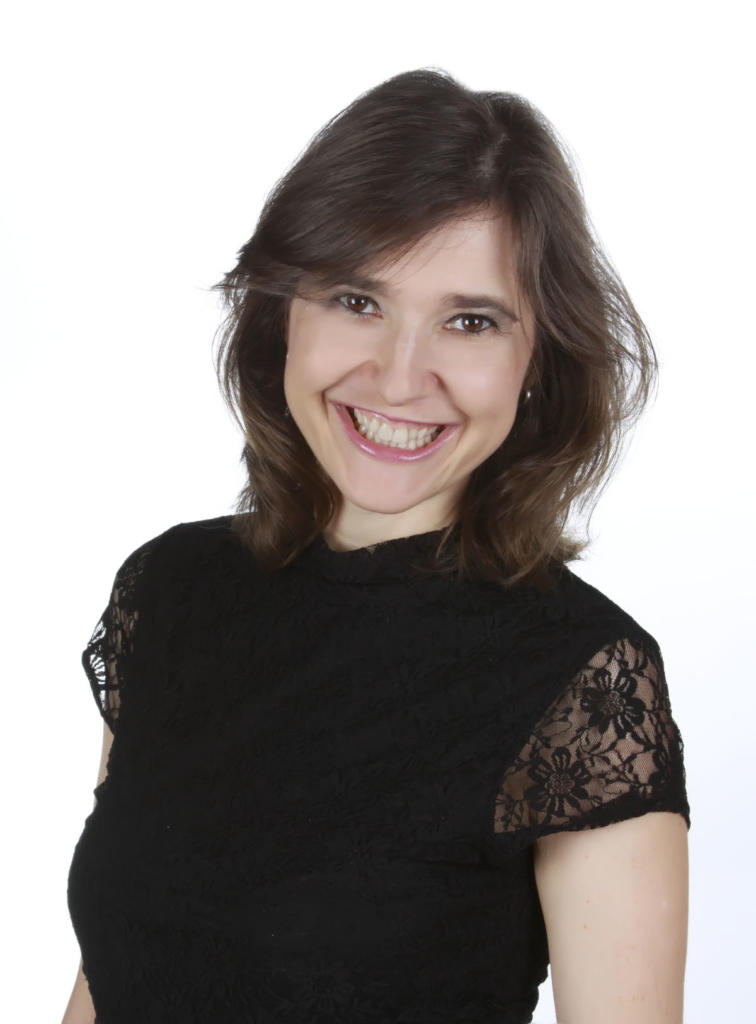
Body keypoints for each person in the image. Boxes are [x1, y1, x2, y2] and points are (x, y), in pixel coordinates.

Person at [63, 68, 690, 1024]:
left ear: (537, 360)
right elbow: (111, 974)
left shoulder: (585, 684)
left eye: (470, 322)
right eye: (358, 301)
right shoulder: (167, 589)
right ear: (282, 314)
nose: (400, 378)